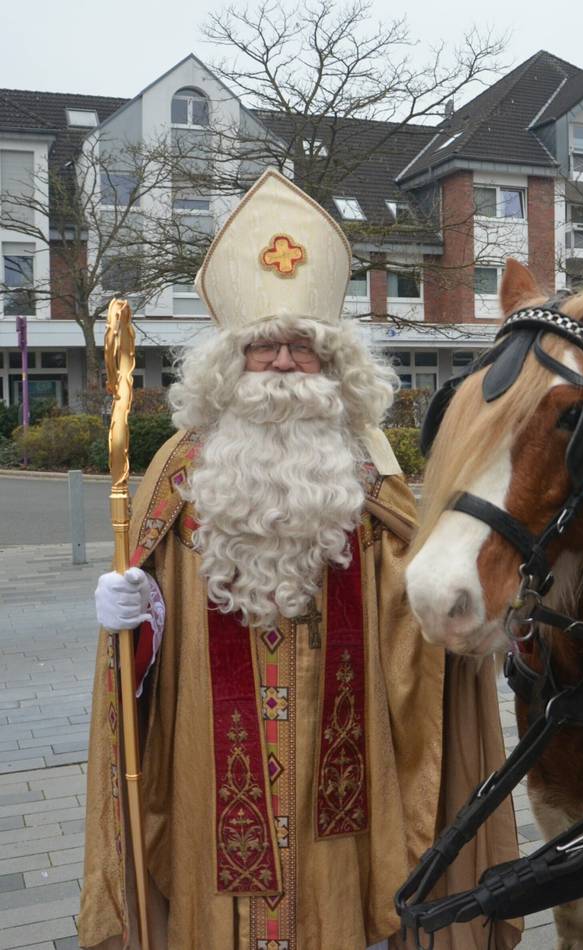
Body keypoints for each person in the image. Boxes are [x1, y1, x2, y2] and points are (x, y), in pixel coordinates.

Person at [78, 169, 520, 950]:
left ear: (335, 367)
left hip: (344, 778)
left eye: (302, 350)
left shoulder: (371, 474)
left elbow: (414, 631)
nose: (282, 365)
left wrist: (462, 615)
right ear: (229, 363)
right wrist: (135, 620)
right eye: (263, 348)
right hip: (208, 774)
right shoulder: (179, 471)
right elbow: (143, 649)